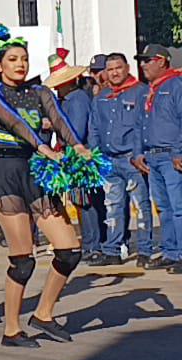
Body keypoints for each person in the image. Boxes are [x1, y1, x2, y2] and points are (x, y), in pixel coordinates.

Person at [0, 38, 94, 347]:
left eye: (24, 59)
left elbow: (59, 119)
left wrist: (78, 147)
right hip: (6, 175)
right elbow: (14, 122)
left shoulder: (40, 92)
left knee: (69, 250)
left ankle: (43, 315)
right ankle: (11, 330)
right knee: (23, 260)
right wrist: (44, 146)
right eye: (13, 59)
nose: (20, 64)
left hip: (37, 173)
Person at [88, 53, 154, 266]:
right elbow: (95, 128)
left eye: (118, 67)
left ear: (126, 68)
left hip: (132, 160)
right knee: (113, 206)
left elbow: (143, 126)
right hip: (108, 161)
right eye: (110, 69)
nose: (114, 72)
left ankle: (144, 251)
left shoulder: (141, 92)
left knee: (141, 206)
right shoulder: (101, 98)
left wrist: (139, 154)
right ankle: (112, 250)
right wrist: (95, 155)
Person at [44, 51, 104, 262]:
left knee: (86, 202)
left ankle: (92, 245)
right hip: (75, 154)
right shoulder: (70, 99)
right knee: (83, 202)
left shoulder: (76, 100)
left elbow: (75, 131)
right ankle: (92, 243)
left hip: (80, 155)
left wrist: (54, 128)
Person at [132, 44, 182, 274]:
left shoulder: (175, 84)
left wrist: (178, 152)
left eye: (147, 60)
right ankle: (171, 252)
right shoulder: (150, 89)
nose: (143, 65)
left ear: (162, 61)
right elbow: (141, 123)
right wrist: (139, 152)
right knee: (164, 208)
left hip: (171, 155)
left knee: (178, 207)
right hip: (153, 156)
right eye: (142, 61)